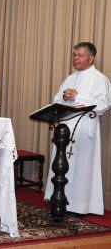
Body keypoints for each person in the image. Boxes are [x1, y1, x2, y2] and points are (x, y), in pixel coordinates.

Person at [44, 42, 111, 215]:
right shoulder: (70, 78)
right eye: (74, 55)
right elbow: (57, 98)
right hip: (65, 129)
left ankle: (80, 206)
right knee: (61, 163)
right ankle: (57, 198)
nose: (75, 58)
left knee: (81, 168)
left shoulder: (100, 79)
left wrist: (78, 97)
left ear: (91, 58)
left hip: (84, 130)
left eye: (79, 55)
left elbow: (103, 104)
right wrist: (65, 97)